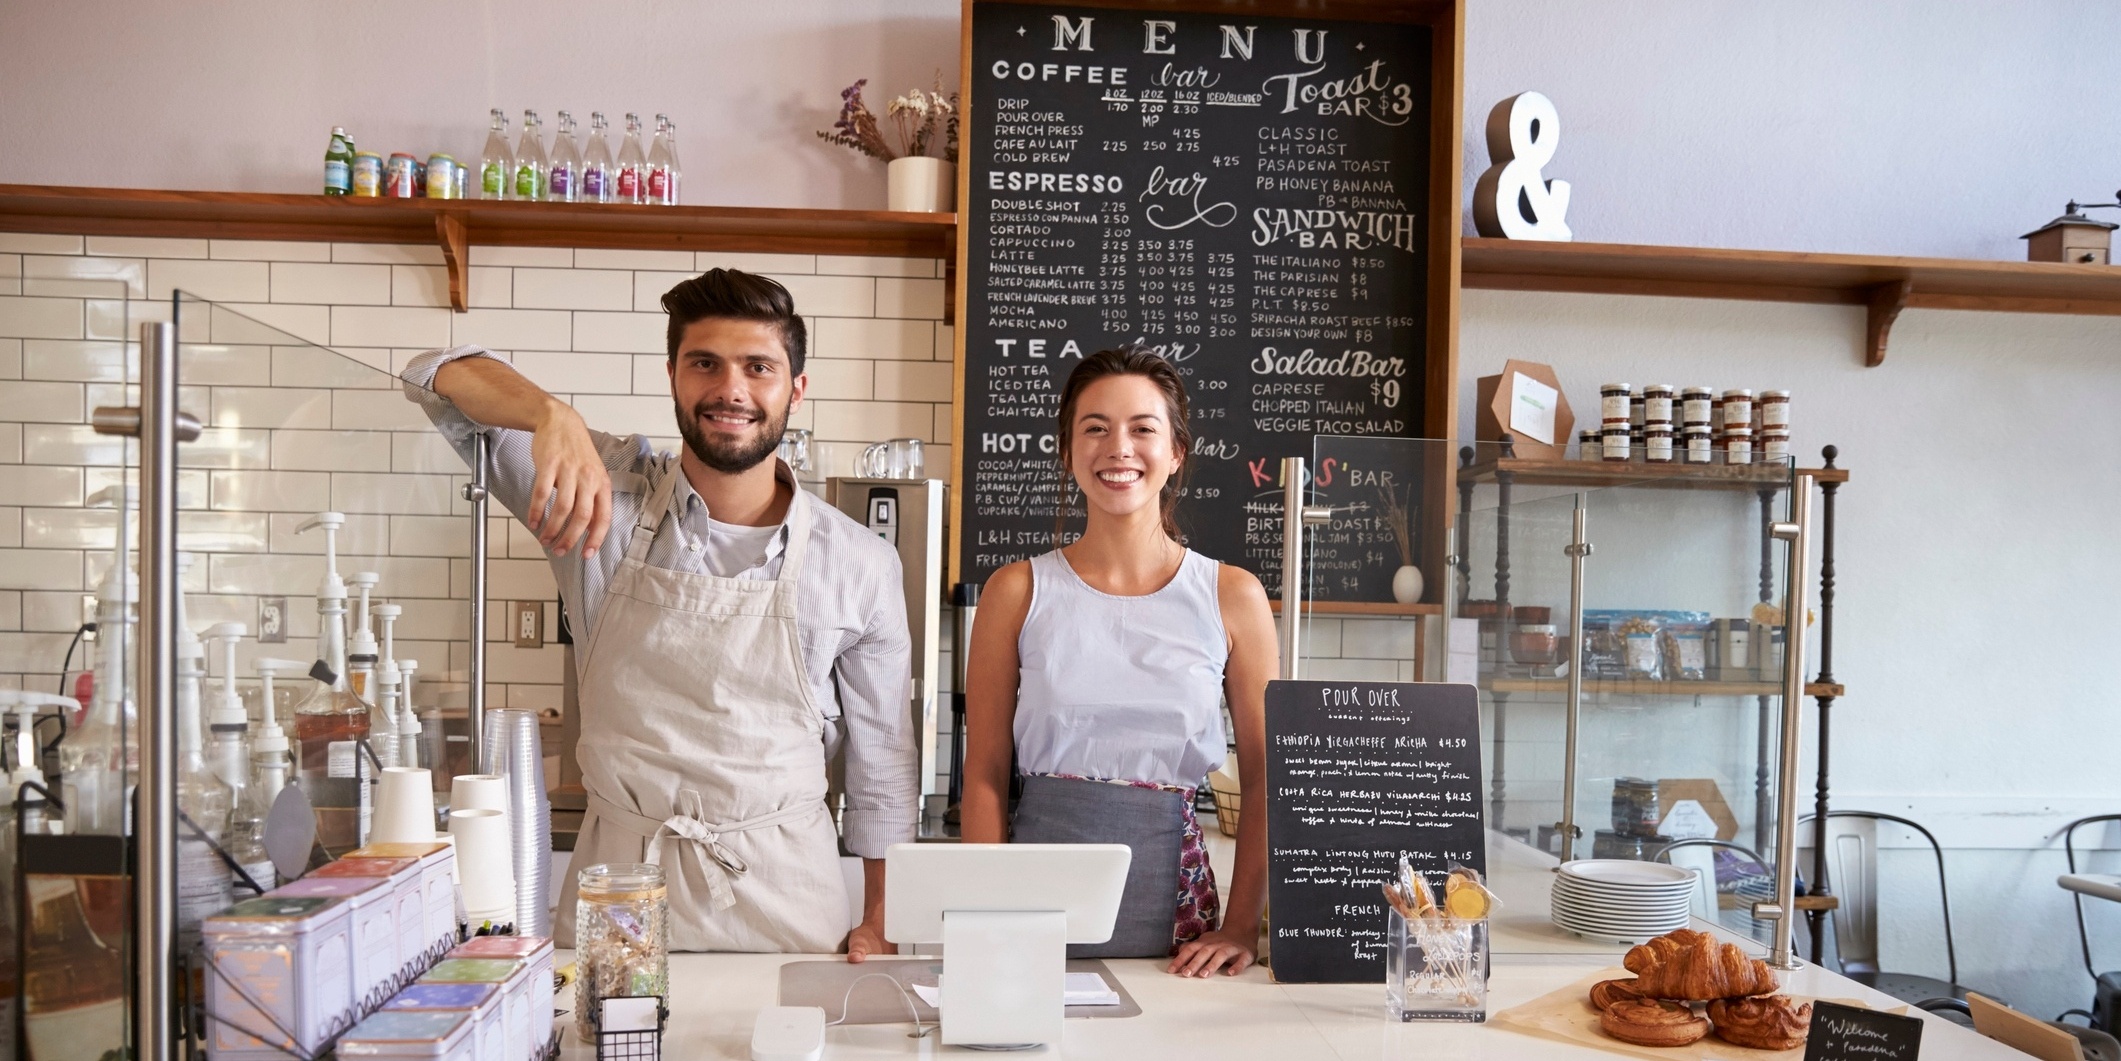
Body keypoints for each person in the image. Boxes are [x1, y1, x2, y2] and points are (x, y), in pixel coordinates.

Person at [401, 269, 915, 959]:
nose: (730, 389)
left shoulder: (861, 562)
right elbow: (432, 375)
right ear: (673, 373)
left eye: (757, 367)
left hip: (786, 891)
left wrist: (880, 919)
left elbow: (883, 765)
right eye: (705, 363)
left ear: (795, 389)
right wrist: (554, 416)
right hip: (618, 883)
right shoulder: (598, 494)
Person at [960, 346, 1277, 977]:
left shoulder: (1232, 595)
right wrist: (989, 918)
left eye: (1142, 429)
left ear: (1176, 451)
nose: (1118, 448)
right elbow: (986, 775)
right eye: (1095, 428)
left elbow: (1270, 779)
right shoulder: (1015, 590)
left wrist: (1242, 925)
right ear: (1067, 449)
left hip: (1179, 932)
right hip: (1031, 912)